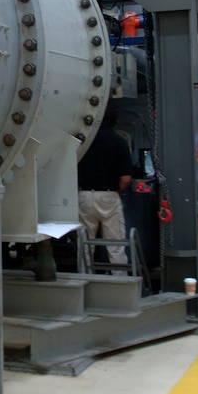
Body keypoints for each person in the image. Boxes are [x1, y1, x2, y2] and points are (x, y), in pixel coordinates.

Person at [78, 102, 134, 274]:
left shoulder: (84, 142)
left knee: (85, 244)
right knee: (115, 245)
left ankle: (85, 279)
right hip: (109, 195)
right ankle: (119, 282)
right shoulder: (119, 142)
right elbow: (125, 179)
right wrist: (117, 192)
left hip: (84, 195)